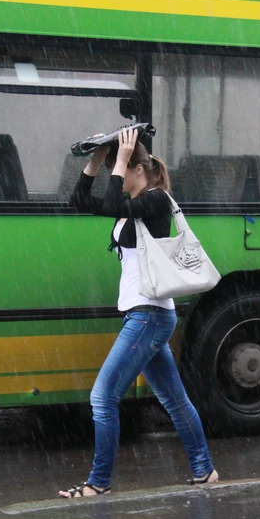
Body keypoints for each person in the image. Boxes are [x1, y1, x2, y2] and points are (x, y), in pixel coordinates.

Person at [61, 127, 218, 498]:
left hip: (149, 315)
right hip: (143, 315)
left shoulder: (157, 201)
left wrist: (115, 162)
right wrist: (96, 163)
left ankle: (98, 483)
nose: (116, 175)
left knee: (103, 398)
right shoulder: (133, 205)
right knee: (174, 400)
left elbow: (114, 204)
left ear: (135, 170)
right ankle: (204, 471)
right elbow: (79, 201)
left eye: (121, 168)